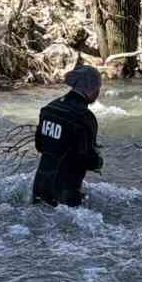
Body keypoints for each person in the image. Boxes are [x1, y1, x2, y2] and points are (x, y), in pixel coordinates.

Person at [32, 64, 105, 207]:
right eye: (98, 87)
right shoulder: (85, 117)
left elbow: (39, 145)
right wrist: (98, 161)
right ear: (90, 88)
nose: (98, 92)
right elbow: (86, 159)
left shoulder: (50, 108)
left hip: (40, 187)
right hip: (65, 194)